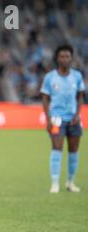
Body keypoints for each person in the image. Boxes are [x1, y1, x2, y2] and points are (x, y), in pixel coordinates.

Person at [41, 44, 85, 193]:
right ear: (57, 58)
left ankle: (70, 182)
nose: (65, 59)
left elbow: (80, 96)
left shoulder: (77, 76)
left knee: (73, 151)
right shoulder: (50, 77)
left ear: (71, 58)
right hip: (56, 119)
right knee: (56, 149)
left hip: (73, 119)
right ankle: (54, 183)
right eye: (62, 56)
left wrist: (78, 115)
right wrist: (48, 119)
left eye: (67, 56)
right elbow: (45, 99)